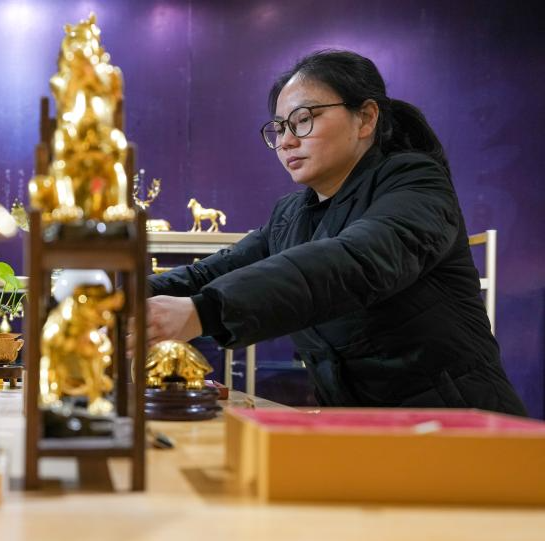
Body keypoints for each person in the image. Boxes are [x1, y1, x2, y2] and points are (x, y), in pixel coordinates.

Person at [146, 50, 526, 415]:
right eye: (279, 128)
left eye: (303, 119)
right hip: (361, 434)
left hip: (461, 431)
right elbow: (209, 273)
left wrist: (204, 311)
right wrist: (123, 297)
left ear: (366, 118)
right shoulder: (291, 216)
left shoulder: (416, 183)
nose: (286, 141)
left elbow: (354, 260)